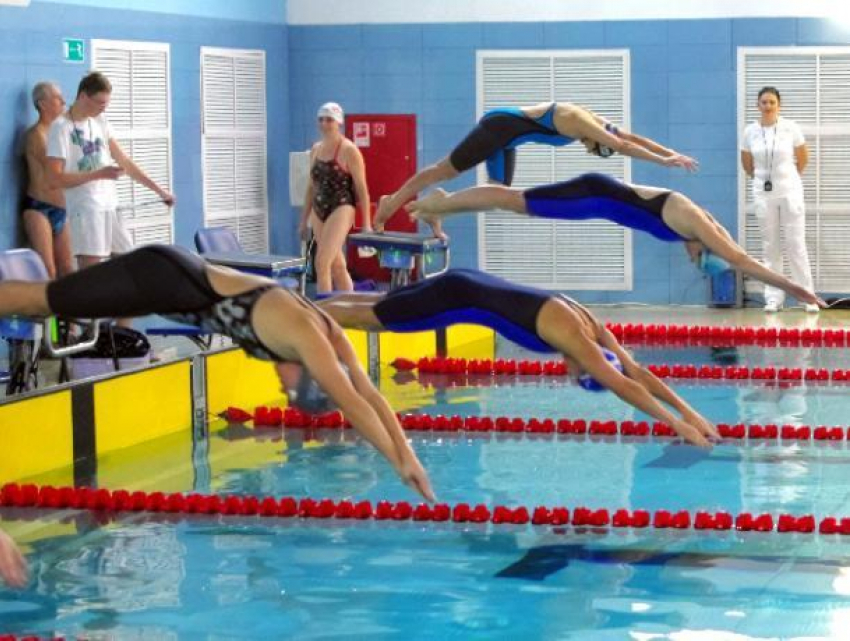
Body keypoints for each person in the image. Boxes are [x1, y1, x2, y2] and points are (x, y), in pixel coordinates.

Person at [0, 245, 433, 502]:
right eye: (290, 391)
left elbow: (370, 394)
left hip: (166, 278)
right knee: (42, 301)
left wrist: (406, 456)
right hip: (159, 279)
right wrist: (395, 461)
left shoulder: (327, 331)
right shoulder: (307, 338)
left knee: (49, 301)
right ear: (306, 377)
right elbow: (354, 403)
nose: (281, 389)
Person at [318, 269, 718, 448]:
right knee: (370, 319)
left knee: (377, 303)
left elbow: (635, 371)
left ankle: (307, 304)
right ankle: (300, 313)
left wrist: (690, 413)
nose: (568, 372)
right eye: (578, 375)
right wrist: (676, 426)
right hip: (455, 298)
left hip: (466, 281)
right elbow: (627, 386)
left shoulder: (589, 325)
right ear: (589, 367)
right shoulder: (577, 340)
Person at [404, 173, 824, 309]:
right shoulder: (699, 226)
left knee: (516, 203)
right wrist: (798, 290)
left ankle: (447, 203)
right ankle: (444, 201)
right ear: (707, 248)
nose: (694, 260)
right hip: (594, 196)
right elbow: (745, 261)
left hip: (596, 201)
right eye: (701, 261)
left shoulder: (689, 231)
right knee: (516, 202)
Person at [375, 101, 699, 238]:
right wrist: (662, 163)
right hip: (498, 127)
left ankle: (441, 206)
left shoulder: (601, 127)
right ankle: (394, 200)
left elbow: (630, 138)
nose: (586, 148)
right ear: (598, 141)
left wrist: (671, 153)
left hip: (508, 140)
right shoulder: (579, 122)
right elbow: (626, 147)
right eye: (591, 147)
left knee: (495, 196)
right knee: (445, 169)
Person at [45, 72, 175, 273]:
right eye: (99, 102)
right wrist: (98, 174)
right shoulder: (61, 128)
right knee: (91, 273)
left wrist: (160, 190)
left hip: (110, 205)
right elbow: (53, 179)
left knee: (129, 263)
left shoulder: (100, 122)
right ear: (82, 97)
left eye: (106, 103)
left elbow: (125, 162)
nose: (103, 108)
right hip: (85, 208)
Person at [740, 87, 817, 314]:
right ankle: (773, 298)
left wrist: (787, 180)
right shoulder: (750, 131)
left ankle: (807, 298)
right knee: (770, 246)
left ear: (779, 105)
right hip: (763, 193)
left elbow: (802, 159)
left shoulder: (790, 127)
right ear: (758, 105)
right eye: (764, 102)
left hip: (790, 191)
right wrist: (762, 179)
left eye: (772, 102)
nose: (768, 106)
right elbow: (747, 163)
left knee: (796, 244)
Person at [299, 102, 371, 294]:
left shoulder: (349, 150)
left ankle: (326, 314)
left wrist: (367, 224)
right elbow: (310, 187)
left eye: (329, 120)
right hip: (318, 209)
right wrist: (303, 220)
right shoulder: (315, 149)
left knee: (321, 263)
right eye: (321, 119)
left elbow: (362, 188)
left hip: (342, 208)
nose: (324, 124)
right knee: (337, 266)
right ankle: (349, 306)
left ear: (338, 122)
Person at [22, 81, 74, 279]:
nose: (63, 102)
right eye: (57, 98)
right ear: (42, 104)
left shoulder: (59, 134)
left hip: (61, 209)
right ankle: (46, 311)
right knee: (48, 270)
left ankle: (69, 311)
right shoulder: (36, 135)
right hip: (39, 209)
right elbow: (59, 171)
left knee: (68, 269)